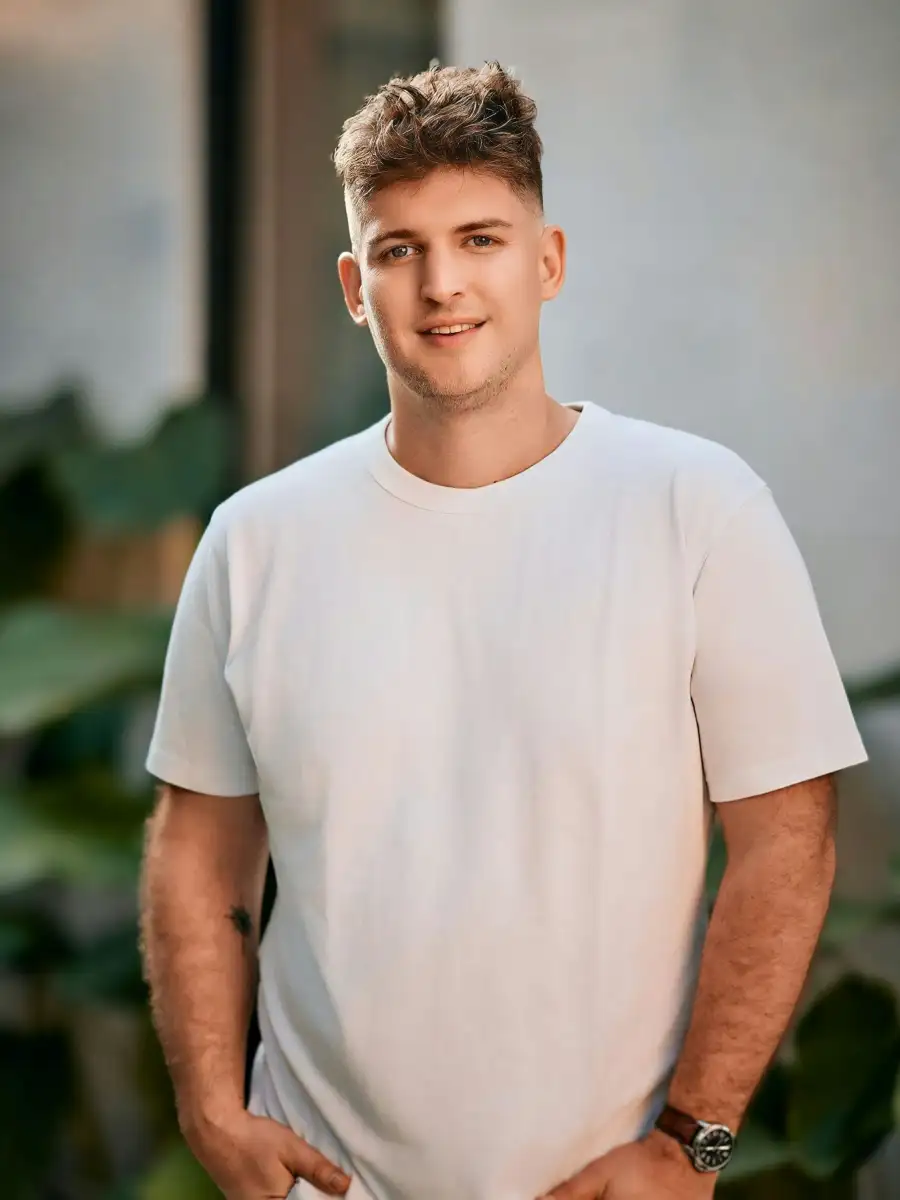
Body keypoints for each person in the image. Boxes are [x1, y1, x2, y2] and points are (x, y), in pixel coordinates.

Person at [139, 62, 868, 1200]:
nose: (442, 285)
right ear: (352, 283)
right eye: (398, 249)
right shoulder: (255, 540)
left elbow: (788, 843)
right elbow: (201, 844)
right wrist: (207, 1109)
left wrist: (696, 1146)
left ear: (548, 260)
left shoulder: (695, 507)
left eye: (480, 238)